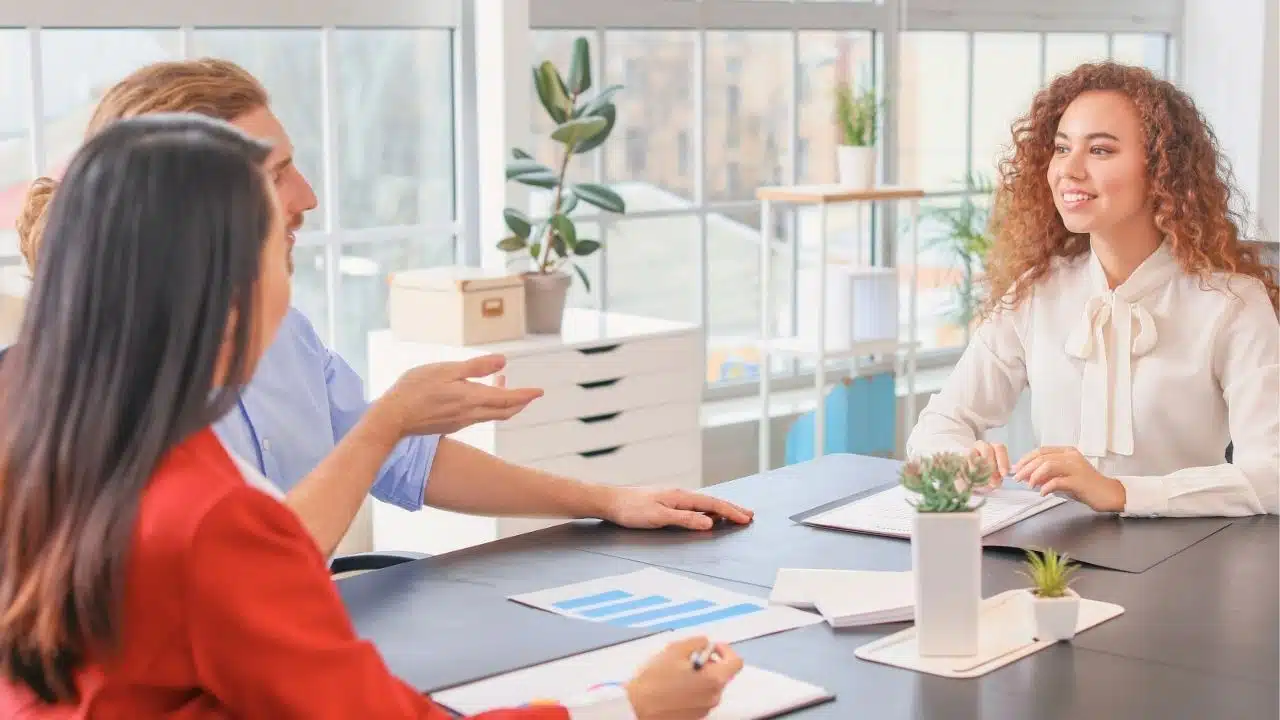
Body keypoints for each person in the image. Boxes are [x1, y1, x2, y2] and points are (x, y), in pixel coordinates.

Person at [0, 113, 742, 718]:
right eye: (281, 257)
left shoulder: (45, 448)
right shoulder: (210, 518)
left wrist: (601, 498)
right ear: (224, 295)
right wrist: (632, 707)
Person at [14, 58, 753, 558]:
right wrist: (388, 419)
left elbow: (401, 460)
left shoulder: (279, 334)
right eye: (275, 174)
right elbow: (256, 565)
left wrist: (605, 499)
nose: (307, 196)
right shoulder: (91, 399)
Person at [906, 61, 1279, 518]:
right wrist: (960, 457)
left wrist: (1120, 492)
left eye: (1100, 151)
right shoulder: (1036, 292)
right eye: (1062, 149)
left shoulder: (1233, 305)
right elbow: (939, 423)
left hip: (1190, 561)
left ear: (1162, 169)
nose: (1070, 170)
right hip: (1052, 562)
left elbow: (1270, 476)